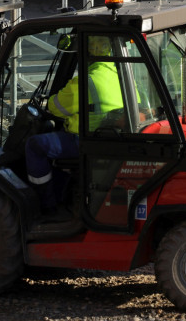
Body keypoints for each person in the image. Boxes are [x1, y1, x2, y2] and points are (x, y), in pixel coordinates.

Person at [25, 35, 123, 213]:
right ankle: (63, 191)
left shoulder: (86, 81)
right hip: (108, 139)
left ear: (88, 52)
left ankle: (46, 205)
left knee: (34, 146)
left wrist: (52, 100)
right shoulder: (120, 76)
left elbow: (55, 107)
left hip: (84, 141)